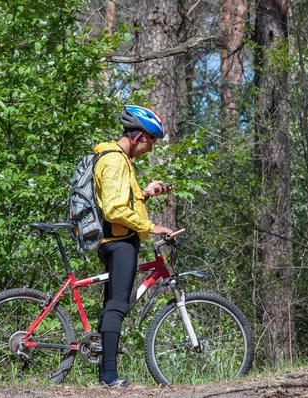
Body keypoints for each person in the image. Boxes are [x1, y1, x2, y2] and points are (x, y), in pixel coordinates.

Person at [93, 105, 174, 387]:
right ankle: (109, 376)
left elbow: (120, 199)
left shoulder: (120, 160)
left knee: (112, 305)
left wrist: (145, 193)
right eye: (151, 141)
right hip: (119, 241)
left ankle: (104, 369)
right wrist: (152, 227)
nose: (150, 149)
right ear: (138, 135)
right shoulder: (115, 160)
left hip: (119, 238)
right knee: (116, 306)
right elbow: (114, 210)